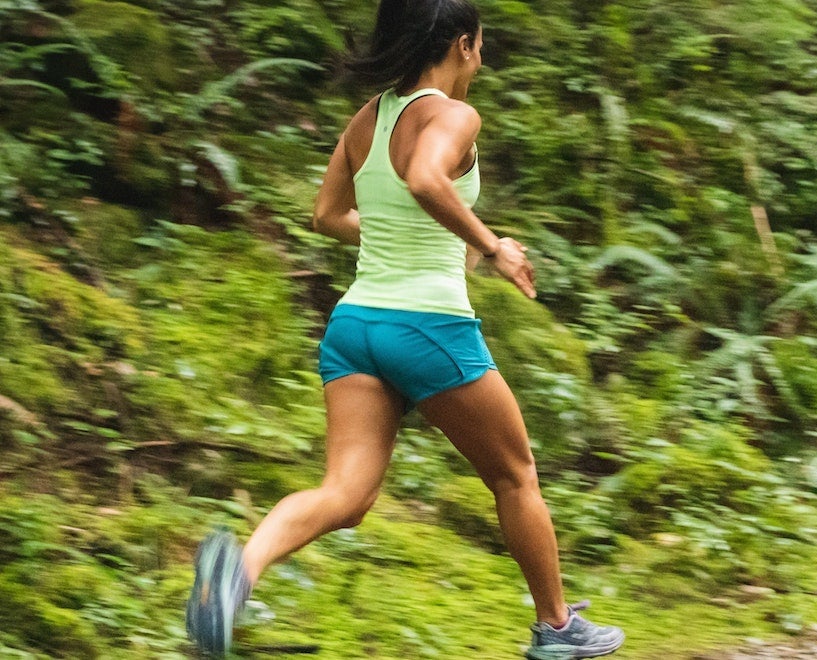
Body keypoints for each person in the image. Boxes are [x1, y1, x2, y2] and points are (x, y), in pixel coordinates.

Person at [184, 0, 625, 658]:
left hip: (356, 324)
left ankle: (234, 580)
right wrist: (494, 248)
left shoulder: (369, 118)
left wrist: (435, 240)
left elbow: (328, 215)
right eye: (480, 43)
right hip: (427, 326)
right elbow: (423, 177)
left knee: (345, 494)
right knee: (516, 478)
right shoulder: (454, 114)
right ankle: (558, 629)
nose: (482, 56)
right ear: (462, 44)